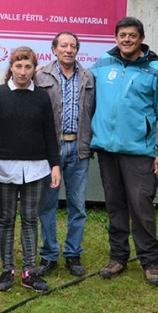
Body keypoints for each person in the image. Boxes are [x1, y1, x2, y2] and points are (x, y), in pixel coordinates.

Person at [89, 17, 158, 286]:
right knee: (115, 205)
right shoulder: (102, 64)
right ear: (115, 37)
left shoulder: (155, 69)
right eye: (122, 35)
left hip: (140, 151)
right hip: (107, 149)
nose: (127, 39)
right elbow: (79, 91)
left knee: (141, 205)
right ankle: (118, 257)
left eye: (132, 35)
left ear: (141, 38)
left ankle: (150, 261)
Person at [0, 46, 61, 292]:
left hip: (36, 168)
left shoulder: (41, 96)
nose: (23, 71)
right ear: (11, 67)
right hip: (4, 168)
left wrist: (55, 165)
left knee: (30, 220)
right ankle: (7, 269)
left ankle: (29, 271)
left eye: (28, 66)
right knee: (6, 219)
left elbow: (49, 133)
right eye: (18, 66)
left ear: (33, 68)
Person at [36, 32, 95, 277]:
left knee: (77, 206)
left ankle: (73, 254)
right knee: (47, 205)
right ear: (54, 49)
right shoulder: (41, 76)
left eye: (73, 46)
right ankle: (49, 255)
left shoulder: (88, 77)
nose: (68, 49)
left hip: (79, 149)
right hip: (51, 151)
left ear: (77, 50)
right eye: (63, 45)